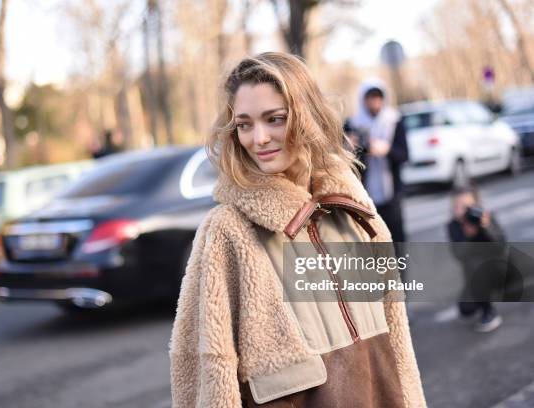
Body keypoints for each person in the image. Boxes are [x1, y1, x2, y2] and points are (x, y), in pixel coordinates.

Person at [169, 53, 426, 407]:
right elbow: (202, 373)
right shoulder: (227, 231)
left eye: (275, 119)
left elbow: (399, 352)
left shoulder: (357, 216)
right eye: (244, 124)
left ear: (307, 117)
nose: (258, 138)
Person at [347, 79, 409, 243]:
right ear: (363, 99)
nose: (375, 101)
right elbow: (345, 162)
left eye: (378, 97)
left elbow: (404, 155)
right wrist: (350, 147)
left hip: (391, 193)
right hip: (363, 196)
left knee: (396, 241)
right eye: (370, 97)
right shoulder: (353, 123)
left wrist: (386, 149)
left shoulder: (394, 121)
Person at [447, 185, 505, 332]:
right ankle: (481, 299)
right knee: (465, 309)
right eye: (457, 206)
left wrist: (486, 228)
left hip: (499, 270)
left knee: (475, 264)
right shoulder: (453, 226)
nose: (462, 210)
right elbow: (459, 255)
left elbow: (501, 247)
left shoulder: (487, 218)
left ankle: (489, 312)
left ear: (477, 205)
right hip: (475, 275)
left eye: (466, 206)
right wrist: (468, 235)